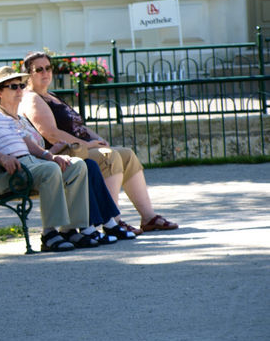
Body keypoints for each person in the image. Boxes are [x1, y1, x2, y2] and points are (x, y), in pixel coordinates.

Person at [19, 51, 178, 233]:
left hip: (81, 146)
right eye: (39, 70)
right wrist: (88, 145)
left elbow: (78, 125)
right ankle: (113, 221)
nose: (45, 73)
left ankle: (149, 217)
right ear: (28, 75)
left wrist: (97, 139)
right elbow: (51, 134)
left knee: (126, 154)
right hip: (65, 153)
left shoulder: (51, 95)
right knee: (108, 157)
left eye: (48, 68)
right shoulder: (32, 98)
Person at [0, 59, 91, 252]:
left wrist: (50, 156)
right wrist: (0, 157)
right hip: (0, 173)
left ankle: (69, 230)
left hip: (27, 164)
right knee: (49, 171)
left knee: (76, 166)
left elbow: (24, 140)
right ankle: (49, 235)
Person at [0, 66, 134, 244]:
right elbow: (20, 149)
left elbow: (35, 147)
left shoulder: (21, 118)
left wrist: (56, 150)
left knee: (88, 165)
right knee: (79, 166)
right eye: (13, 86)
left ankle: (100, 223)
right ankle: (79, 228)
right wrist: (51, 156)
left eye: (21, 85)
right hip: (20, 169)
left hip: (39, 161)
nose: (20, 90)